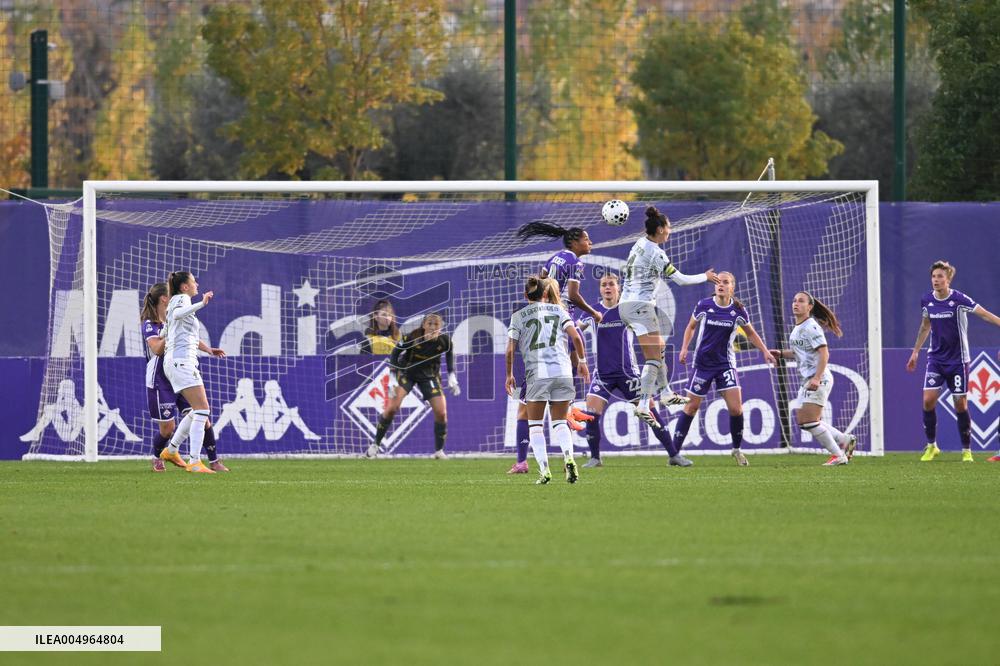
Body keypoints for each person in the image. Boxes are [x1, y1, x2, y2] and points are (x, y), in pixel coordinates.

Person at [619, 206, 719, 427]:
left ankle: (665, 392)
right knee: (653, 359)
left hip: (625, 305)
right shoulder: (656, 253)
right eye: (669, 227)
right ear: (661, 229)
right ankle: (644, 405)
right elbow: (681, 280)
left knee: (660, 347)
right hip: (640, 306)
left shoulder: (639, 243)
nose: (670, 231)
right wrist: (706, 276)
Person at [579, 273, 688, 467]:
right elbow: (576, 328)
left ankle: (673, 455)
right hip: (603, 375)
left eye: (611, 284)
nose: (607, 288)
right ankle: (595, 458)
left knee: (651, 412)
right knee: (591, 414)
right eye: (604, 285)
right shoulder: (593, 311)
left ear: (618, 288)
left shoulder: (627, 311)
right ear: (600, 289)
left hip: (629, 374)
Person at [673, 272, 777, 466]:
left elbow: (751, 333)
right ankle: (674, 453)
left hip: (725, 365)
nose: (721, 284)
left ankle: (736, 450)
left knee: (736, 409)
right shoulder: (704, 305)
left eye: (726, 282)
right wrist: (685, 348)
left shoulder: (738, 310)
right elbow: (691, 327)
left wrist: (765, 351)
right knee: (691, 407)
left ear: (732, 287)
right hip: (702, 365)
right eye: (718, 281)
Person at [906, 260, 1000, 462]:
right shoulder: (927, 300)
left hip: (958, 361)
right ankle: (932, 446)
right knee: (928, 400)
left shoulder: (958, 299)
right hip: (936, 359)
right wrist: (915, 352)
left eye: (940, 277)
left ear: (948, 280)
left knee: (960, 404)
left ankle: (966, 450)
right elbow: (925, 326)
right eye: (934, 276)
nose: (936, 280)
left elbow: (983, 314)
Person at [516, 221, 602, 431]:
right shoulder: (574, 261)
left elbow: (540, 282)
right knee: (575, 350)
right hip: (562, 312)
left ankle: (570, 407)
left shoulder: (553, 259)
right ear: (573, 242)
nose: (590, 242)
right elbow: (573, 295)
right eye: (586, 238)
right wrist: (593, 312)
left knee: (570, 357)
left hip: (545, 316)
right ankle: (568, 410)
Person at [505, 276, 589, 484]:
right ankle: (569, 458)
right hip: (563, 373)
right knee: (560, 422)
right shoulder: (560, 310)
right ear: (544, 293)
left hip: (537, 375)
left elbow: (509, 350)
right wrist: (582, 362)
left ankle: (544, 471)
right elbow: (577, 338)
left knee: (535, 426)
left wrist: (509, 375)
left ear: (526, 295)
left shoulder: (518, 316)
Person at [142, 282, 227, 472]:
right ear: (165, 298)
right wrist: (171, 331)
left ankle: (213, 461)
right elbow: (156, 349)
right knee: (167, 429)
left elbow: (189, 338)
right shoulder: (151, 324)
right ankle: (159, 456)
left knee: (201, 415)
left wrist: (208, 350)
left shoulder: (174, 319)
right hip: (160, 379)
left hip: (178, 373)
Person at [769, 292, 855, 465]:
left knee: (809, 421)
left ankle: (838, 455)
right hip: (807, 380)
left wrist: (817, 378)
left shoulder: (811, 327)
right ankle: (844, 439)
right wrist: (781, 354)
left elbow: (824, 353)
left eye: (801, 301)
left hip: (818, 378)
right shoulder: (797, 329)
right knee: (805, 422)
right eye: (794, 300)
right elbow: (798, 353)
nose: (796, 303)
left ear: (809, 307)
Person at [367, 312, 459, 459]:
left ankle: (439, 451)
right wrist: (392, 377)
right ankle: (375, 445)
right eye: (429, 324)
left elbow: (449, 354)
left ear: (440, 327)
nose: (432, 327)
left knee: (441, 413)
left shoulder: (445, 341)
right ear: (423, 325)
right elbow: (395, 353)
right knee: (392, 408)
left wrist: (451, 375)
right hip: (407, 373)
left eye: (436, 324)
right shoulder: (412, 337)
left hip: (429, 376)